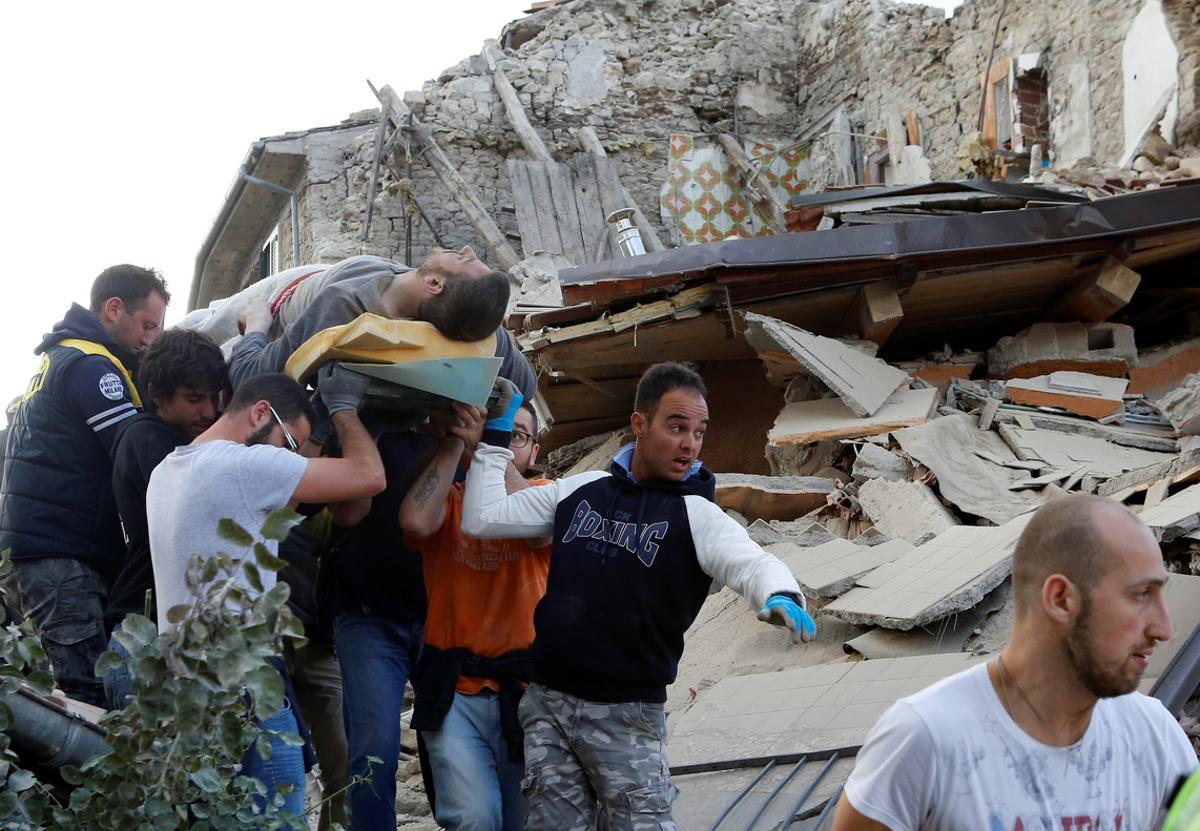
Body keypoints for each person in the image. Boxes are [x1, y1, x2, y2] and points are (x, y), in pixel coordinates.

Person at [461, 362, 816, 830]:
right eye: (676, 427)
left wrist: (782, 594)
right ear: (639, 424)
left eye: (699, 431)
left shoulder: (697, 516)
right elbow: (485, 517)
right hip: (547, 704)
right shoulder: (583, 489)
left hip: (626, 717)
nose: (689, 444)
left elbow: (753, 563)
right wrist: (497, 435)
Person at [832, 494, 1197, 831]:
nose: (1164, 628)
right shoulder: (925, 739)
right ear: (1060, 599)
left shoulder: (1154, 736)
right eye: (1140, 595)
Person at [146, 369, 385, 820]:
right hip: (242, 675)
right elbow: (369, 476)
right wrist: (345, 410)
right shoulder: (244, 465)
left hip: (184, 680)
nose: (289, 456)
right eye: (289, 443)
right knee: (281, 811)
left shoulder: (168, 470)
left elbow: (278, 514)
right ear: (260, 412)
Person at [0, 264, 168, 705]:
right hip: (61, 554)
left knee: (71, 690)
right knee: (88, 695)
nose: (151, 338)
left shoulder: (59, 357)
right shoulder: (94, 368)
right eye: (148, 325)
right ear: (114, 309)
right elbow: (138, 456)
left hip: (42, 551)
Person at [401, 401, 550, 831]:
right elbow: (414, 522)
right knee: (473, 819)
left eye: (516, 435)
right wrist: (455, 443)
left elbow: (539, 525)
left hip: (526, 692)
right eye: (495, 430)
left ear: (535, 452)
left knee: (524, 821)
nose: (502, 439)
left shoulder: (543, 492)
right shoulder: (449, 499)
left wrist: (493, 446)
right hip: (454, 690)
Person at [225, 250, 534, 406]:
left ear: (435, 283)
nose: (466, 248)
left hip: (288, 295)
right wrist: (482, 330)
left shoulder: (342, 308)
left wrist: (257, 324)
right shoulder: (469, 323)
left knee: (207, 322)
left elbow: (246, 376)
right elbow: (527, 384)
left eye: (463, 259)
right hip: (338, 272)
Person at [102, 328, 227, 709]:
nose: (208, 411)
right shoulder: (146, 437)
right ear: (158, 396)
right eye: (194, 399)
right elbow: (193, 490)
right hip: (143, 636)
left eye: (213, 398)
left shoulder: (192, 437)